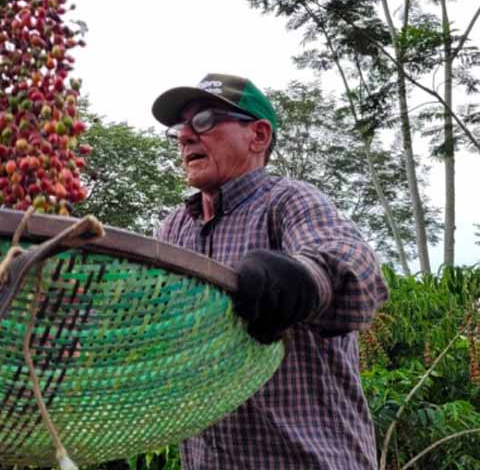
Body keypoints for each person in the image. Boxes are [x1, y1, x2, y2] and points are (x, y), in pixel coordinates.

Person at [152, 73, 389, 469]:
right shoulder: (174, 228)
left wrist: (301, 279)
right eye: (181, 127)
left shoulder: (289, 201)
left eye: (205, 121)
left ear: (258, 136)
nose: (186, 136)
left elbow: (357, 270)